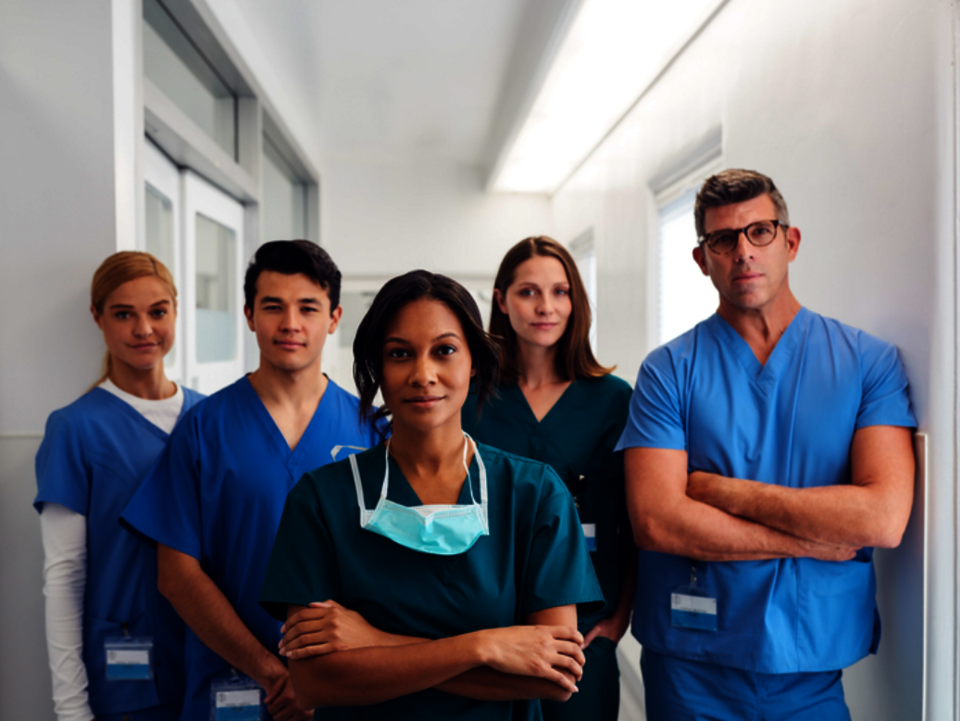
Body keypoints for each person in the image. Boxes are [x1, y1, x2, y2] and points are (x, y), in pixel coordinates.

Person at [617, 169, 916, 720]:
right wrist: (812, 543)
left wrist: (721, 492)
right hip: (690, 668)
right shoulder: (668, 372)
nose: (742, 252)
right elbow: (658, 521)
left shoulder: (867, 363)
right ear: (702, 259)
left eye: (759, 232)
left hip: (812, 668)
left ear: (790, 241)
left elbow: (882, 517)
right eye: (723, 239)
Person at [258, 270, 604, 720]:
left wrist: (377, 643)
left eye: (444, 351)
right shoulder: (321, 500)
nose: (423, 374)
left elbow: (552, 678)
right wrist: (486, 646)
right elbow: (313, 682)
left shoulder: (534, 494)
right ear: (377, 369)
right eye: (400, 354)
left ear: (474, 362)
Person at [121, 240, 379, 721]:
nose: (290, 324)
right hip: (233, 686)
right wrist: (273, 673)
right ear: (248, 314)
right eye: (273, 307)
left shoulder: (372, 431)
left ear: (335, 317)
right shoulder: (204, 428)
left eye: (308, 307)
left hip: (346, 687)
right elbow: (176, 575)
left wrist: (324, 678)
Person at [460, 236, 636, 721]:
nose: (546, 307)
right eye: (528, 292)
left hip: (583, 629)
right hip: (487, 628)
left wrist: (621, 616)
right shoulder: (471, 398)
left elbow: (634, 521)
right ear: (500, 299)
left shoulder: (613, 400)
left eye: (560, 292)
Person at [34, 251, 204, 721]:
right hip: (126, 678)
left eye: (157, 312)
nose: (143, 329)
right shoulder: (75, 428)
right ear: (98, 317)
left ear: (175, 309)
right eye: (124, 314)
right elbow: (64, 578)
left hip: (212, 664)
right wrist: (71, 708)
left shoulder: (211, 418)